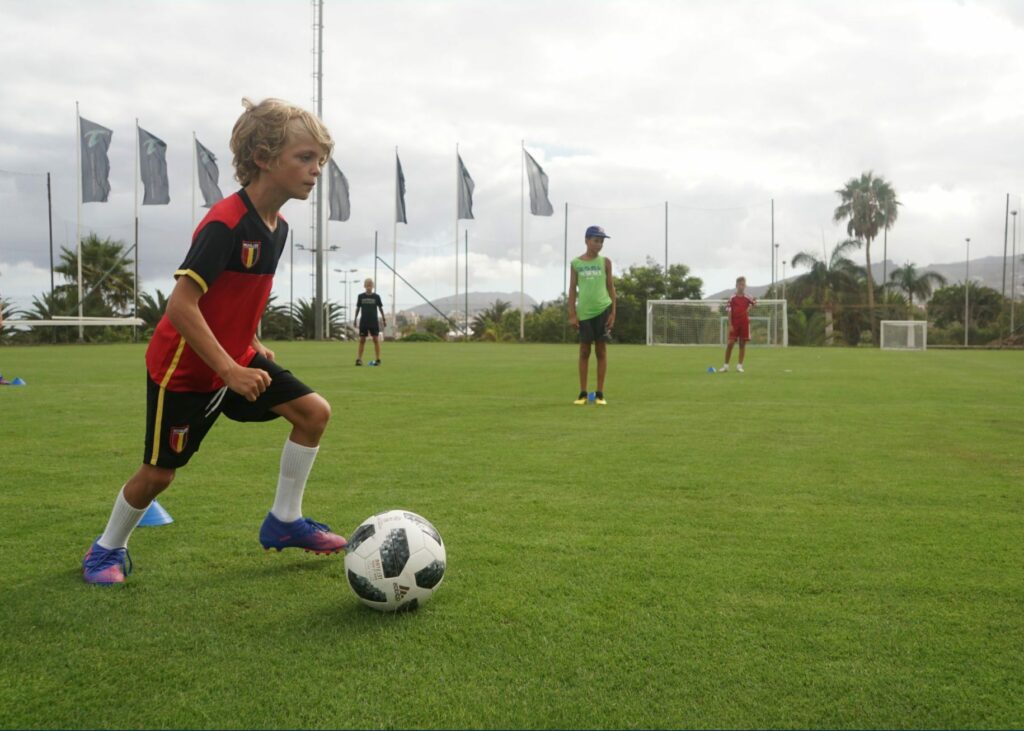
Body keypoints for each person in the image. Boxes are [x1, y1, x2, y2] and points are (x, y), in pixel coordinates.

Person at [82, 98, 348, 585]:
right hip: (184, 372)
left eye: (320, 160)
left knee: (314, 413)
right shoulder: (225, 223)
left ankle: (285, 521)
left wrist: (252, 340)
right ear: (264, 157)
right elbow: (181, 306)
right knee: (159, 475)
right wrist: (228, 369)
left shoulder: (279, 227)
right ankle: (105, 550)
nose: (316, 170)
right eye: (305, 158)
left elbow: (237, 296)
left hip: (238, 361)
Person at [568, 225, 616, 405]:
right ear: (587, 240)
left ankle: (600, 394)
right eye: (596, 240)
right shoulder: (576, 263)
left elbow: (611, 287)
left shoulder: (606, 262)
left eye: (602, 241)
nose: (599, 244)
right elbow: (572, 289)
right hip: (584, 313)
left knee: (601, 351)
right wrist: (572, 313)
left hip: (603, 310)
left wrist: (613, 312)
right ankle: (582, 393)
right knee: (584, 351)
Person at [720, 276, 757, 373]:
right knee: (730, 343)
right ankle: (725, 366)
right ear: (736, 285)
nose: (742, 286)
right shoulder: (732, 298)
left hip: (744, 323)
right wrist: (730, 324)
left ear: (745, 286)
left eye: (743, 284)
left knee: (742, 344)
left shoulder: (748, 297)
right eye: (740, 284)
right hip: (734, 323)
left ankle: (739, 366)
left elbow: (754, 303)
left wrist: (748, 309)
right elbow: (729, 311)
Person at [354, 278, 386, 366]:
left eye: (370, 284)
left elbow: (380, 308)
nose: (369, 286)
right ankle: (359, 359)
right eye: (367, 284)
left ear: (373, 286)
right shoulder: (360, 296)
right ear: (364, 286)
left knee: (375, 339)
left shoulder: (376, 297)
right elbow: (358, 308)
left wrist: (384, 319)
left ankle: (378, 359)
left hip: (373, 322)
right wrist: (355, 319)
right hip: (364, 321)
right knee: (362, 340)